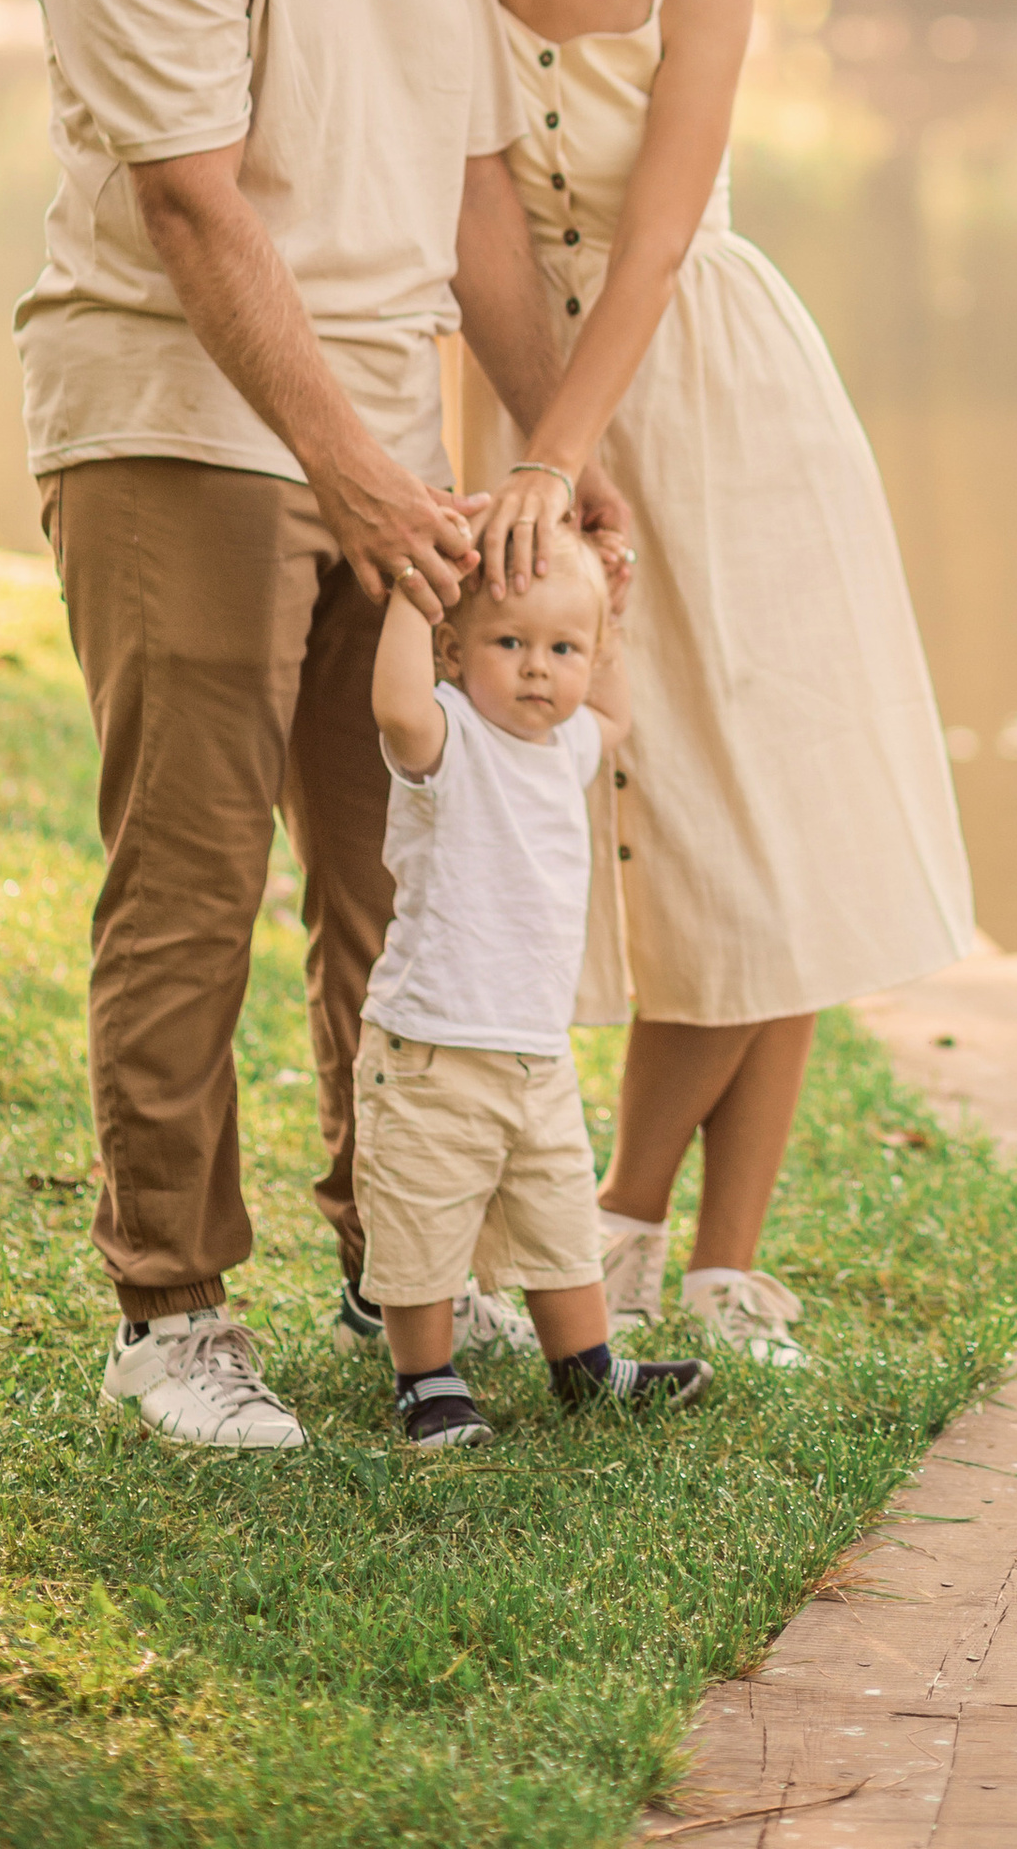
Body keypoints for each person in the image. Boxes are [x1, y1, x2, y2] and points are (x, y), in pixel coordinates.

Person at [18, 0, 632, 1454]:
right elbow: (195, 210)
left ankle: (407, 1266)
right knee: (193, 873)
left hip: (386, 439)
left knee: (401, 873)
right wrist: (351, 470)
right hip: (179, 425)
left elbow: (467, 194)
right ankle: (172, 1312)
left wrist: (545, 445)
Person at [401, 0, 975, 1367]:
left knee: (755, 809)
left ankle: (693, 1252)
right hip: (537, 405)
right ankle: (628, 1236)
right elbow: (482, 235)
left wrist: (553, 457)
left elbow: (652, 246)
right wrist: (544, 454)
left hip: (720, 412)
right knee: (599, 801)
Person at [359, 542, 711, 1451]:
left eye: (564, 650)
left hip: (536, 1054)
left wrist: (613, 623)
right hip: (433, 1047)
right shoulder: (447, 736)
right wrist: (413, 595)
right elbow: (394, 705)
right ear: (452, 651)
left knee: (560, 1216)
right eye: (509, 642)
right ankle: (426, 1380)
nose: (537, 668)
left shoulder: (569, 744)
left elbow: (616, 715)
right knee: (422, 1217)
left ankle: (586, 1365)